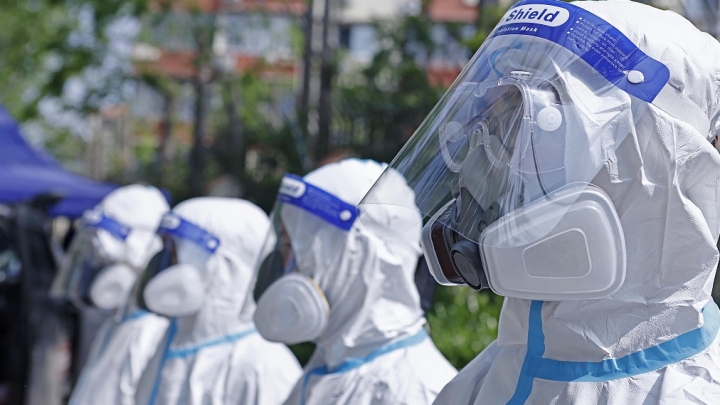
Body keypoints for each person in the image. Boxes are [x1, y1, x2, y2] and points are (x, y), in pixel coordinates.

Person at [360, 0, 720, 403]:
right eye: (495, 118)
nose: (499, 158)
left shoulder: (692, 393)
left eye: (530, 122)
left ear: (649, 158)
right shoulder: (484, 380)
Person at [252, 158, 457, 405]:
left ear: (357, 254)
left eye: (294, 246)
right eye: (285, 245)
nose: (287, 264)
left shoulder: (417, 393)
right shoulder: (324, 370)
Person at [134, 197, 302, 405]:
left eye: (176, 253)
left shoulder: (263, 367)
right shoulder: (170, 345)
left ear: (225, 267)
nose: (168, 265)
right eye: (168, 253)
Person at [50, 184, 171, 405]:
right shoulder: (117, 323)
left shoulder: (151, 334)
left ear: (139, 248)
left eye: (106, 259)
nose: (98, 268)